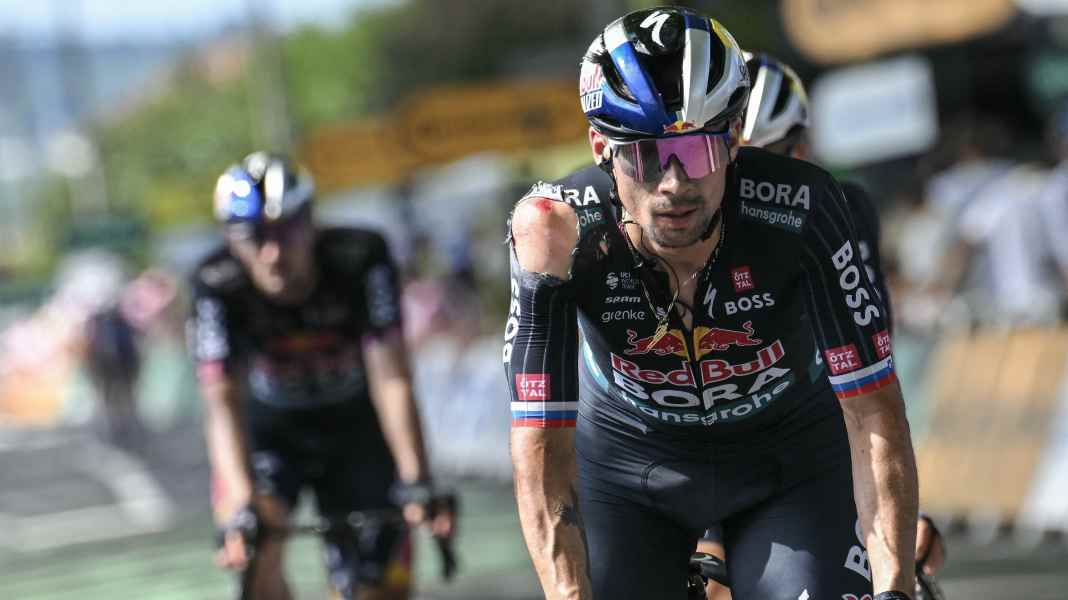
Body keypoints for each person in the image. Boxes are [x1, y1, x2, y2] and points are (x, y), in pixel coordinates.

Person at [505, 7, 918, 599]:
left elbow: (874, 410)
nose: (674, 184)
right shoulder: (555, 228)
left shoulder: (802, 208)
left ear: (731, 141)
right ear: (602, 146)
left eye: (698, 153)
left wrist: (894, 586)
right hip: (627, 471)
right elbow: (540, 443)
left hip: (790, 465)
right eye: (646, 157)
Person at [692, 51, 947, 600]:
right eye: (727, 160)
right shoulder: (675, 225)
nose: (745, 182)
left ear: (802, 153)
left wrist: (898, 518)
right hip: (689, 452)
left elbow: (872, 392)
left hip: (809, 447)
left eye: (768, 158)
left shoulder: (836, 210)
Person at [188, 151, 453, 600]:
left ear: (311, 223)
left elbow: (391, 376)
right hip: (270, 433)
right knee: (253, 552)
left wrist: (417, 478)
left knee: (376, 589)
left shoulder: (360, 256)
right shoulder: (216, 281)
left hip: (356, 428)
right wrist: (241, 502)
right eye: (253, 238)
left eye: (286, 232)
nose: (272, 253)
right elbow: (220, 398)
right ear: (231, 241)